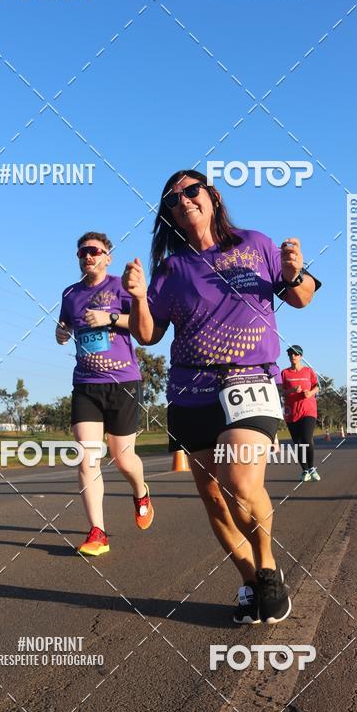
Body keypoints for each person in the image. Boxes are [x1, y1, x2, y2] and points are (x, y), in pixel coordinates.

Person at [123, 171, 320, 625]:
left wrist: (293, 275)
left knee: (240, 482)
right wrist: (136, 297)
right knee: (214, 497)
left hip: (250, 380)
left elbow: (303, 297)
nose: (184, 200)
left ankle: (268, 568)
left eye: (192, 191)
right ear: (168, 214)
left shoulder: (254, 243)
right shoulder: (172, 269)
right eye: (173, 199)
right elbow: (149, 334)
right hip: (191, 391)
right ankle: (251, 581)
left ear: (212, 196)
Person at [56, 232, 154, 556]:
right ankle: (97, 532)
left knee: (123, 458)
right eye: (83, 251)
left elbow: (143, 328)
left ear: (107, 256)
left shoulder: (119, 287)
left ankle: (140, 491)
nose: (88, 256)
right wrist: (61, 332)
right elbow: (65, 327)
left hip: (123, 381)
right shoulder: (69, 294)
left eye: (95, 251)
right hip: (86, 384)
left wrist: (109, 318)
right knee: (87, 457)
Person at [281, 345, 320, 482]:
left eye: (296, 354)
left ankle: (312, 468)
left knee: (306, 438)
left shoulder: (308, 371)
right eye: (290, 354)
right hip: (291, 412)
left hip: (308, 410)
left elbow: (317, 386)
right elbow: (281, 392)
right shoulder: (284, 373)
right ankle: (305, 470)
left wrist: (310, 393)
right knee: (297, 443)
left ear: (301, 356)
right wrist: (292, 391)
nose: (293, 356)